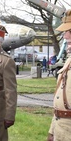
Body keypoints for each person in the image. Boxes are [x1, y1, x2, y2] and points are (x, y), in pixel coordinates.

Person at [47, 9, 71, 141]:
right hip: (61, 128)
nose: (65, 36)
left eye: (70, 31)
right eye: (65, 32)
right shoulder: (68, 60)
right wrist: (52, 130)